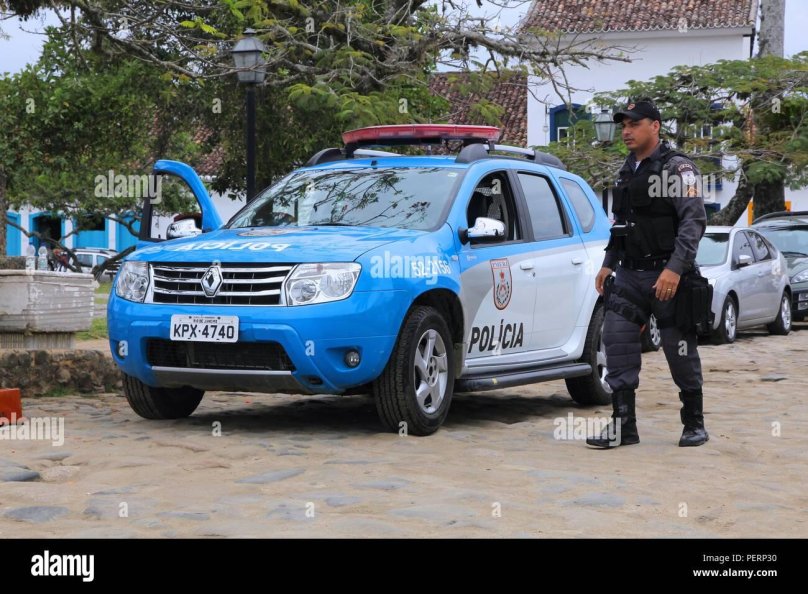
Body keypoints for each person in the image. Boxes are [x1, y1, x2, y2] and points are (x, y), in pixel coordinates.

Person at [587, 99, 709, 449]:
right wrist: (609, 261)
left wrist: (675, 268)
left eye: (634, 124)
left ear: (654, 126)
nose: (626, 130)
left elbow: (693, 221)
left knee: (679, 349)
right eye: (623, 124)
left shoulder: (679, 168)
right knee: (618, 343)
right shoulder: (628, 169)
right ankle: (623, 426)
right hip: (629, 274)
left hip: (668, 275)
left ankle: (694, 423)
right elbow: (622, 224)